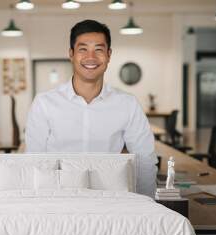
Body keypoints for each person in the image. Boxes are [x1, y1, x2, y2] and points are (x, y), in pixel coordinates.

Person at [25, 19, 157, 197]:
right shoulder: (44, 104)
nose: (91, 57)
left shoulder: (127, 104)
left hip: (110, 200)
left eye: (99, 50)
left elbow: (145, 161)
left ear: (109, 55)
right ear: (71, 54)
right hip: (58, 200)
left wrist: (146, 204)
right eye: (83, 49)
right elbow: (33, 162)